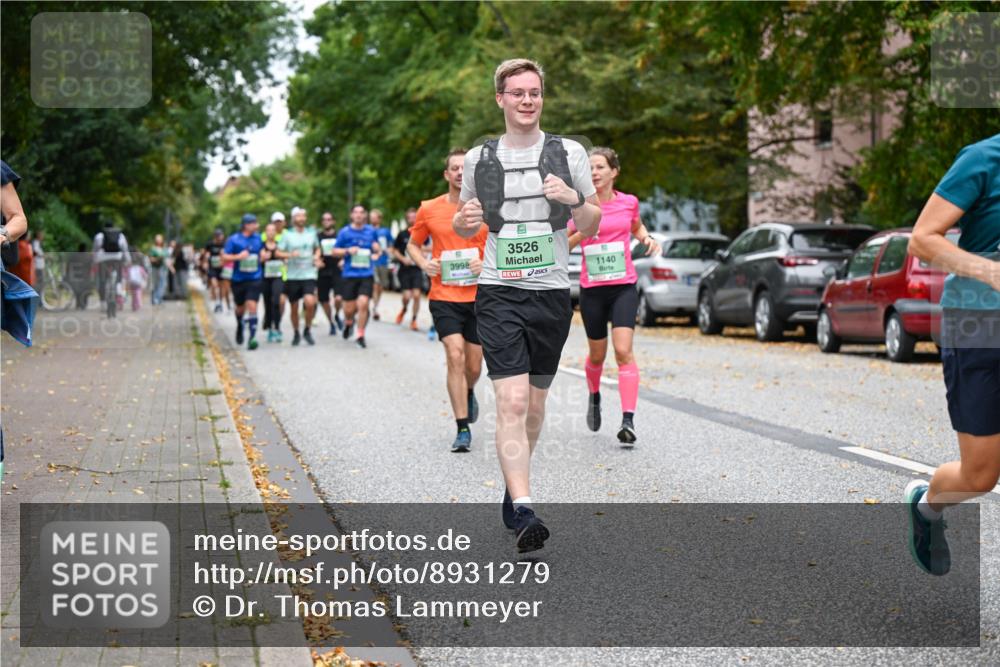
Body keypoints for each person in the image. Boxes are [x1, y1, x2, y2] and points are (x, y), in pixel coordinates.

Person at [452, 59, 601, 551]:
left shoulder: (569, 152)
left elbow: (593, 222)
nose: (527, 100)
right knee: (511, 401)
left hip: (553, 293)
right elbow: (464, 223)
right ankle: (525, 510)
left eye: (534, 92)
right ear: (500, 99)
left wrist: (574, 197)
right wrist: (465, 220)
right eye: (517, 93)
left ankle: (513, 490)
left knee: (534, 405)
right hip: (498, 290)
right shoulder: (479, 158)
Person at [905, 133, 1000, 576]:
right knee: (980, 476)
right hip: (977, 327)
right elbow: (923, 239)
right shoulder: (982, 159)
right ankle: (926, 510)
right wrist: (990, 271)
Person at [568, 147, 660, 445]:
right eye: (590, 168)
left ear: (613, 172)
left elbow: (635, 225)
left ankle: (628, 420)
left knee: (623, 352)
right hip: (592, 290)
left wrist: (645, 238)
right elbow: (564, 245)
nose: (594, 173)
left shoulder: (629, 202)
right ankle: (594, 396)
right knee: (597, 355)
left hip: (623, 286)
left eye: (599, 167)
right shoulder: (579, 206)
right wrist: (584, 230)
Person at [409, 149, 489, 452]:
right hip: (444, 294)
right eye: (454, 168)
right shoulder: (428, 209)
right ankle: (462, 427)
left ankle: (469, 389)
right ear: (447, 174)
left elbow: (502, 244)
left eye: (465, 168)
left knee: (474, 364)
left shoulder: (489, 208)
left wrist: (487, 264)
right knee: (453, 354)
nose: (459, 172)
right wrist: (424, 263)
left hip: (480, 296)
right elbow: (413, 244)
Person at [332, 204, 382, 349]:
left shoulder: (371, 231)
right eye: (356, 213)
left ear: (365, 215)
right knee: (349, 309)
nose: (359, 215)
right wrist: (347, 250)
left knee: (363, 303)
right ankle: (348, 322)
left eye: (361, 212)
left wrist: (376, 252)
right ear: (352, 216)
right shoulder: (344, 232)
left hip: (366, 274)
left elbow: (376, 247)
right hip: (349, 274)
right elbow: (334, 251)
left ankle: (360, 334)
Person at [277, 206, 321, 346]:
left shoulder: (311, 233)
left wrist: (316, 257)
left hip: (308, 274)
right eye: (298, 216)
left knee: (310, 302)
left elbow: (317, 248)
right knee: (294, 307)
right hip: (292, 276)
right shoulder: (287, 234)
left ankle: (307, 329)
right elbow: (278, 253)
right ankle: (296, 332)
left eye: (303, 216)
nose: (301, 218)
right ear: (293, 218)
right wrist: (290, 255)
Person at [221, 213, 265, 350]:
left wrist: (263, 256)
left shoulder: (258, 238)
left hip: (255, 278)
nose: (257, 226)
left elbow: (262, 252)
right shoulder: (233, 240)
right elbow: (224, 258)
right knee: (240, 308)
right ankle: (240, 324)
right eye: (254, 223)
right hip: (238, 279)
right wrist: (238, 257)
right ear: (246, 225)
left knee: (252, 306)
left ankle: (252, 337)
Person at [392, 207, 425, 331]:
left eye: (414, 216)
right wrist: (403, 259)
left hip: (417, 268)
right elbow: (394, 250)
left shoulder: (423, 232)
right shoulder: (402, 234)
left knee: (416, 295)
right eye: (410, 217)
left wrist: (423, 253)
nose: (412, 219)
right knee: (407, 296)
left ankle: (414, 320)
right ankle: (404, 309)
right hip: (404, 269)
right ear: (407, 219)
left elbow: (429, 247)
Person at [93, 220, 131, 317]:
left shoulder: (99, 236)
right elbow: (125, 249)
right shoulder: (120, 235)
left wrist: (94, 261)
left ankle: (103, 303)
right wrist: (128, 261)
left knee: (102, 280)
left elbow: (95, 250)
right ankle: (118, 294)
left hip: (103, 260)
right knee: (118, 279)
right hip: (116, 259)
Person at [317, 211, 345, 335]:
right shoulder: (318, 236)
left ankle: (338, 314)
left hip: (337, 270)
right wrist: (316, 260)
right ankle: (331, 322)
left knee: (339, 298)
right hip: (323, 271)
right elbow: (314, 250)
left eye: (329, 219)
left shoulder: (339, 236)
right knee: (324, 300)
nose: (327, 221)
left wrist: (343, 260)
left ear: (333, 221)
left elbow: (346, 249)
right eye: (324, 219)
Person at [260, 222, 286, 343]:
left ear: (276, 232)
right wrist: (262, 258)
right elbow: (257, 260)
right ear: (265, 233)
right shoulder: (261, 246)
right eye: (268, 230)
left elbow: (286, 257)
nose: (270, 232)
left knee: (277, 301)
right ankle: (270, 327)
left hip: (278, 277)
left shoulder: (280, 246)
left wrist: (284, 259)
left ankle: (277, 327)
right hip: (265, 278)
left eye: (273, 230)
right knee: (267, 303)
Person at [369, 208, 394, 321]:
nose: (372, 219)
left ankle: (375, 305)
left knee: (380, 286)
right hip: (370, 261)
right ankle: (374, 308)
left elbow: (391, 245)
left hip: (383, 261)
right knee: (375, 284)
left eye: (374, 217)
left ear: (379, 218)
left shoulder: (385, 231)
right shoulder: (367, 230)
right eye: (371, 217)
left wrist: (388, 250)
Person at [204, 228, 227, 312]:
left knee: (221, 286)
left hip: (221, 268)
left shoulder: (225, 244)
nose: (221, 238)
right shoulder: (210, 244)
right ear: (216, 237)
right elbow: (206, 253)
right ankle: (217, 302)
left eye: (222, 236)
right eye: (219, 236)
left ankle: (220, 302)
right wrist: (206, 262)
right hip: (212, 267)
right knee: (214, 285)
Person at [149, 234, 169, 305]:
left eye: (159, 239)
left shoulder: (164, 249)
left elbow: (167, 259)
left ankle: (159, 298)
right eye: (157, 239)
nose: (158, 241)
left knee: (163, 284)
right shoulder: (153, 249)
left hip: (163, 268)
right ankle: (155, 298)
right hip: (155, 268)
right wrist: (157, 259)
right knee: (156, 284)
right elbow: (151, 259)